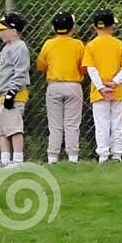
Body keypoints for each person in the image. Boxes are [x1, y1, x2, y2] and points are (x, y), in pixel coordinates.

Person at [83, 9, 122, 163]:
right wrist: (115, 82)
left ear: (94, 27)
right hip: (116, 91)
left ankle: (103, 155)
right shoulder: (118, 44)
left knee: (102, 123)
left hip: (99, 93)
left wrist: (101, 87)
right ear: (112, 27)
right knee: (117, 122)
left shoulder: (91, 46)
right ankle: (117, 153)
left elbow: (91, 68)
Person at [36, 12, 85, 165]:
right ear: (72, 28)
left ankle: (52, 157)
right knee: (72, 123)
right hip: (73, 85)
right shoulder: (78, 44)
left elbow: (41, 66)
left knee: (55, 124)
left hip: (54, 86)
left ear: (53, 28)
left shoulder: (48, 44)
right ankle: (73, 157)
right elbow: (83, 68)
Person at [0, 12, 31, 169]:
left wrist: (12, 93)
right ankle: (5, 159)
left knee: (14, 127)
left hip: (14, 94)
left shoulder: (20, 47)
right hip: (3, 94)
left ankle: (18, 160)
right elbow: (0, 66)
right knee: (0, 129)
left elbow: (21, 72)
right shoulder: (7, 47)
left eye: (2, 29)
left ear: (14, 31)